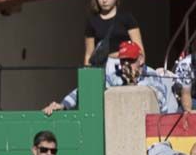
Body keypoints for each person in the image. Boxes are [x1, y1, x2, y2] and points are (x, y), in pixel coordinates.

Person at [44, 41, 192, 115]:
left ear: (140, 59)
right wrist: (63, 105)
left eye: (131, 60)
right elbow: (87, 89)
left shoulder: (152, 77)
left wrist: (133, 84)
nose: (126, 65)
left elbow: (163, 112)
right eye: (123, 61)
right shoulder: (115, 77)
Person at [84, 0, 142, 67]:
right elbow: (89, 54)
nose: (104, 0)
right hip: (103, 70)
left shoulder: (127, 18)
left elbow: (139, 50)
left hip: (126, 68)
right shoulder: (92, 22)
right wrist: (88, 78)